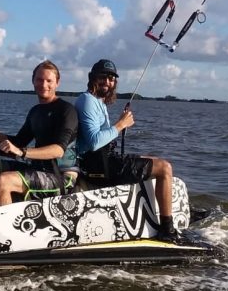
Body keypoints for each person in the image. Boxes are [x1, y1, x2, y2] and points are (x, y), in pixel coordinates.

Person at [74, 59, 181, 243]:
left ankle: (157, 211)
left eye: (111, 78)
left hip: (106, 161)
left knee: (152, 159)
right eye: (102, 77)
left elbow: (102, 137)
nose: (107, 82)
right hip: (100, 168)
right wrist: (121, 124)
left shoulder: (98, 102)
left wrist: (119, 125)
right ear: (92, 78)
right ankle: (167, 229)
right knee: (164, 168)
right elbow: (93, 142)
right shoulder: (87, 101)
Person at [0, 60, 78, 207]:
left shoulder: (67, 110)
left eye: (49, 80)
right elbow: (18, 141)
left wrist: (22, 152)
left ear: (57, 83)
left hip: (61, 176)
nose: (44, 85)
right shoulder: (35, 112)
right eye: (39, 80)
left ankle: (4, 228)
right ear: (33, 81)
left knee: (5, 180)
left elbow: (58, 150)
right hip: (37, 169)